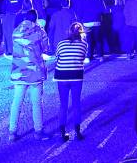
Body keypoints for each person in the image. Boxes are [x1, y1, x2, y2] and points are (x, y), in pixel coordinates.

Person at [8, 9, 50, 141]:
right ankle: (38, 131)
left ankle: (12, 132)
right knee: (36, 103)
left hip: (19, 71)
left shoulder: (16, 31)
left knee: (17, 102)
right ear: (35, 19)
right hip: (35, 72)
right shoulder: (39, 31)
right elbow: (46, 48)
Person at [54, 22, 88, 141]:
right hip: (76, 76)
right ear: (81, 32)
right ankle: (78, 131)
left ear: (69, 32)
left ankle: (63, 132)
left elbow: (57, 57)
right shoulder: (84, 45)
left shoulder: (61, 44)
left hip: (61, 76)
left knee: (63, 104)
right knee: (76, 103)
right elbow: (82, 58)